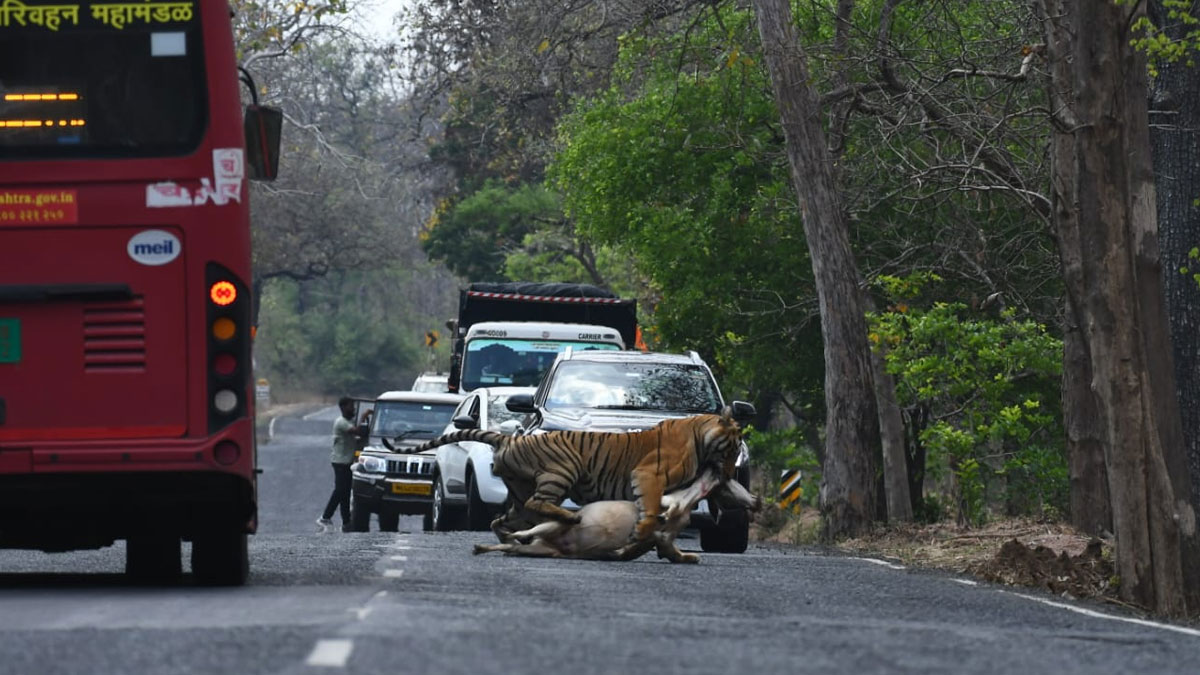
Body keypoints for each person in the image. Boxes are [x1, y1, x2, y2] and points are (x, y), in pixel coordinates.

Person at [317, 396, 359, 533]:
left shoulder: (349, 421)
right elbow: (356, 431)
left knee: (345, 492)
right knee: (340, 491)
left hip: (346, 462)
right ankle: (325, 517)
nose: (353, 408)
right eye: (351, 406)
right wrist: (364, 417)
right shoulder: (341, 422)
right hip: (340, 462)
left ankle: (346, 523)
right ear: (343, 407)